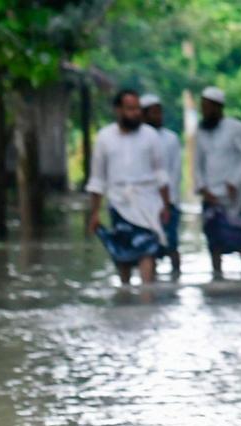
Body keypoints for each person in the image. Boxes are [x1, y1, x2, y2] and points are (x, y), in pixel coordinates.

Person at [86, 89, 171, 286]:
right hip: (119, 203)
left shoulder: (150, 136)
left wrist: (166, 205)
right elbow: (97, 179)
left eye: (138, 109)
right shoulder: (104, 137)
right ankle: (125, 299)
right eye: (130, 109)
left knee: (148, 250)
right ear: (118, 110)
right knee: (123, 255)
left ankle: (147, 297)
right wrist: (95, 213)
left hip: (148, 203)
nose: (136, 113)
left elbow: (161, 174)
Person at [193, 86, 241, 278]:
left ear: (218, 107)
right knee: (213, 241)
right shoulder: (201, 131)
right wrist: (202, 187)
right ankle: (217, 276)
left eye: (207, 106)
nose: (204, 110)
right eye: (202, 106)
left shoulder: (236, 128)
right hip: (210, 194)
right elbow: (197, 162)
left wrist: (234, 182)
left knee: (240, 240)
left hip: (232, 195)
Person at [140, 93, 183, 275]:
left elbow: (175, 171)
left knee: (171, 244)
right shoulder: (137, 139)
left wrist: (168, 202)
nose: (159, 117)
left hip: (168, 202)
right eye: (154, 113)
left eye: (160, 113)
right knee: (149, 249)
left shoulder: (171, 139)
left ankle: (176, 277)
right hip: (144, 204)